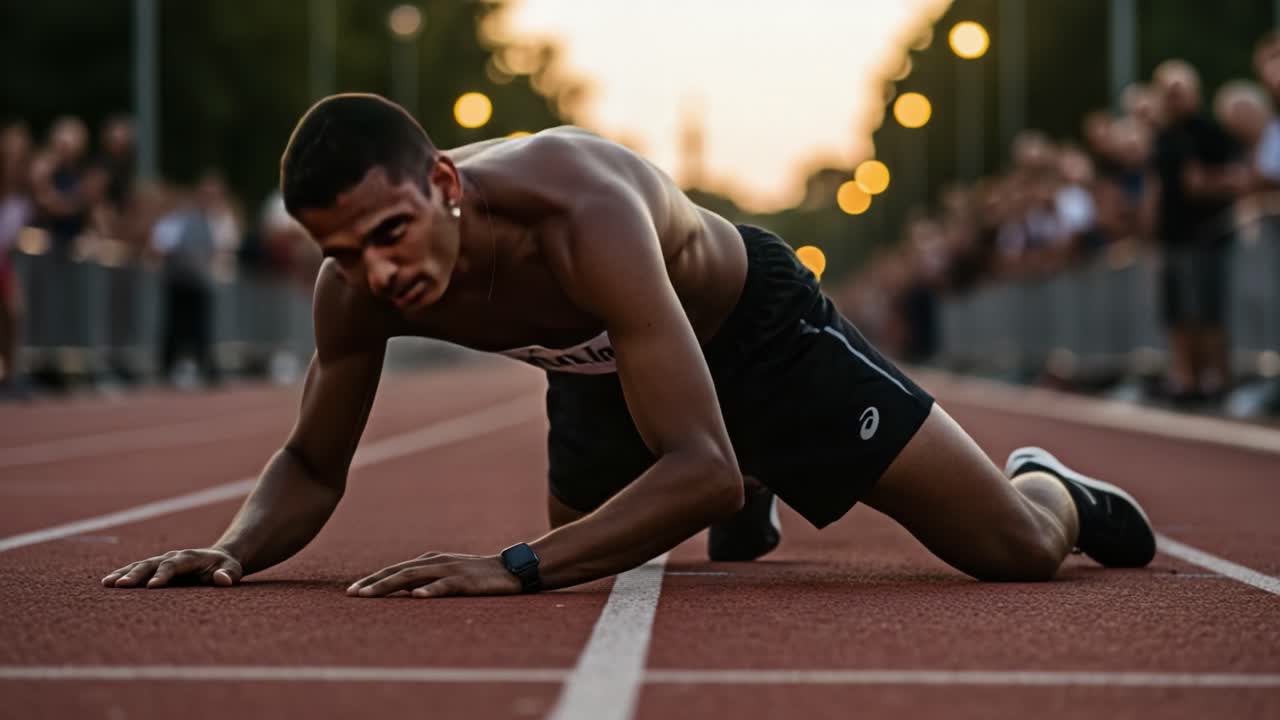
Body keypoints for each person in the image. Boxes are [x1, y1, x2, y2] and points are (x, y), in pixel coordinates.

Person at [102, 94, 1157, 597]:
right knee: (609, 553)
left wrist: (510, 566)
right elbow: (311, 462)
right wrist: (233, 547)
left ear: (447, 186)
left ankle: (1047, 482)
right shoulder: (358, 291)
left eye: (391, 233)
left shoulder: (581, 213)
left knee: (1012, 555)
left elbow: (685, 472)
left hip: (747, 330)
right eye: (345, 250)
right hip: (598, 370)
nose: (380, 270)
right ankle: (753, 481)